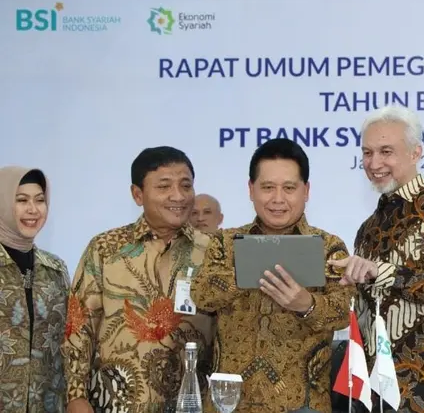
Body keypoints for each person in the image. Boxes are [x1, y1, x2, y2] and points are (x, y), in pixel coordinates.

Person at [330, 106, 424, 412]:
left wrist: (379, 272)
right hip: (376, 393)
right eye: (367, 152)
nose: (374, 163)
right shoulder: (367, 228)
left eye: (386, 151)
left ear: (415, 153)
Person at [191, 138, 354, 412]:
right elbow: (202, 295)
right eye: (267, 188)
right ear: (251, 189)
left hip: (301, 403)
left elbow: (342, 313)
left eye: (289, 188)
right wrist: (247, 271)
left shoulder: (328, 246)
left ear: (306, 191)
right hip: (228, 402)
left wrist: (306, 305)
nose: (278, 199)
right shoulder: (224, 242)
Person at [63, 146, 215, 412]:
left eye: (186, 185)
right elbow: (80, 325)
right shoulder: (105, 248)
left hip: (193, 403)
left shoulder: (214, 251)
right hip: (116, 404)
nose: (178, 196)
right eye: (164, 186)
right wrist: (76, 395)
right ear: (137, 194)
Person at [0, 166, 69, 412]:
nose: (33, 209)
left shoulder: (56, 269)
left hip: (46, 404)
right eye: (21, 200)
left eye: (40, 200)